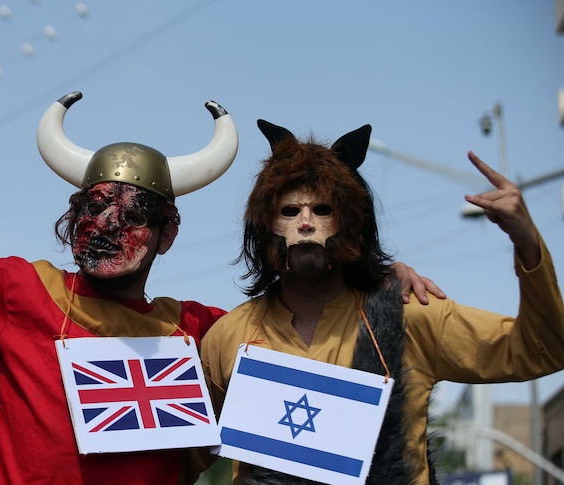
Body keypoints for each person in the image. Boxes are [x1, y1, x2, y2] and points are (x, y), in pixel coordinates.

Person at [0, 93, 439, 485]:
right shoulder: (15, 287)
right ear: (70, 217)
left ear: (168, 233)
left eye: (134, 213)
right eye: (92, 207)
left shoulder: (203, 329)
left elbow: (301, 314)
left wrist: (375, 278)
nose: (108, 225)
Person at [199, 120, 564, 484]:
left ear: (352, 221)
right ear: (264, 225)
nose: (306, 223)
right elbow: (179, 452)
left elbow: (544, 348)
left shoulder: (410, 316)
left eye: (323, 209)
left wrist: (528, 243)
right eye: (289, 211)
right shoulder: (230, 337)